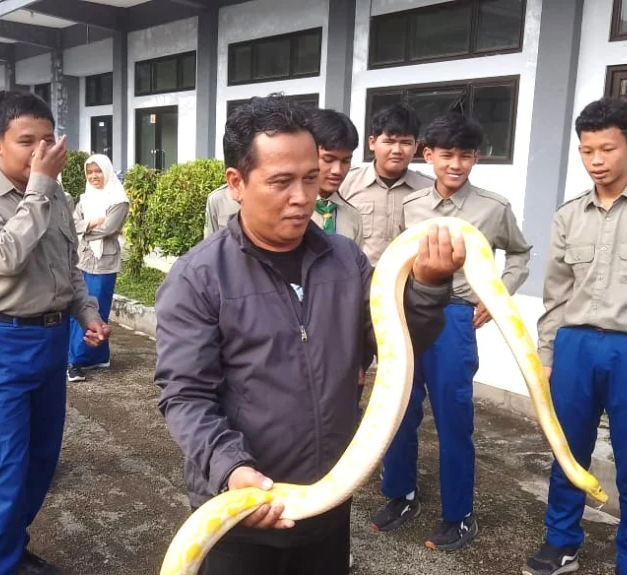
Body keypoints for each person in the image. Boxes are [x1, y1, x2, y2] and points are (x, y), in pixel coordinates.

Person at [155, 94, 462, 575]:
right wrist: (231, 468)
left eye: (310, 178)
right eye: (281, 182)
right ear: (236, 183)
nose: (303, 197)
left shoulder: (346, 260)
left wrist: (427, 287)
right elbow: (185, 396)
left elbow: (392, 346)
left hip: (326, 504)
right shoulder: (198, 278)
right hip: (239, 512)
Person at [523, 98, 627, 575]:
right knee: (567, 450)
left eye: (606, 149)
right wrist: (548, 353)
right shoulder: (569, 215)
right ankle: (561, 541)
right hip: (576, 346)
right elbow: (556, 295)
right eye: (586, 151)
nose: (595, 161)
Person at [0, 90, 108, 575]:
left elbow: (67, 264)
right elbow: (5, 255)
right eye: (26, 141)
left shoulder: (55, 193)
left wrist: (86, 311)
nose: (41, 151)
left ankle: (11, 552)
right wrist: (40, 186)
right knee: (0, 471)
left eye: (47, 140)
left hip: (48, 342)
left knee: (38, 463)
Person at [374, 112, 532, 550]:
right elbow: (397, 261)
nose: (456, 164)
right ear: (429, 155)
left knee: (453, 419)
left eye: (466, 155)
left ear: (477, 157)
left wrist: (498, 293)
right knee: (399, 411)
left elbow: (520, 254)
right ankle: (401, 495)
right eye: (446, 154)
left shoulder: (493, 208)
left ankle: (458, 514)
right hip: (410, 315)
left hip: (456, 318)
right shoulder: (411, 207)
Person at [340, 102, 433, 265]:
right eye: (389, 141)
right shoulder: (345, 184)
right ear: (372, 143)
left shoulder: (429, 190)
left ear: (416, 146)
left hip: (409, 284)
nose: (397, 150)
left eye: (405, 143)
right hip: (358, 282)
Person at [66, 154, 130, 383]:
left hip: (104, 263)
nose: (94, 176)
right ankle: (83, 358)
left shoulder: (119, 200)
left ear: (107, 172)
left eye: (98, 171)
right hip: (83, 259)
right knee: (79, 308)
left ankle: (84, 358)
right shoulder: (85, 199)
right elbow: (71, 225)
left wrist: (83, 228)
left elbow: (109, 229)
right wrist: (90, 223)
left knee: (98, 309)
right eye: (90, 172)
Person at [307, 109, 361, 244]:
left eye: (345, 161)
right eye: (328, 159)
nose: (337, 170)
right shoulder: (287, 209)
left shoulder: (353, 217)